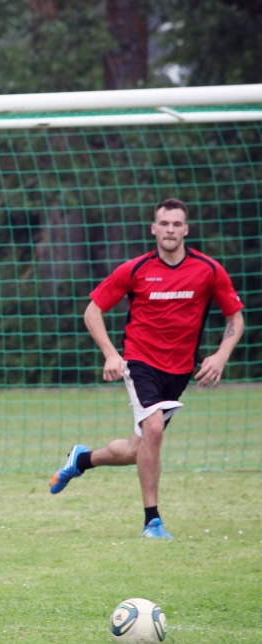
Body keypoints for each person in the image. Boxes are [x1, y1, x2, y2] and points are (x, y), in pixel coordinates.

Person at [51, 198, 244, 539]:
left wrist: (221, 355)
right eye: (164, 224)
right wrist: (112, 354)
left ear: (186, 229)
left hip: (179, 371)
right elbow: (92, 311)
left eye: (176, 224)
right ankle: (152, 521)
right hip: (140, 362)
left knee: (136, 450)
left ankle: (80, 460)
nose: (170, 230)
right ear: (154, 229)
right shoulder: (135, 269)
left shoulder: (208, 270)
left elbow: (235, 317)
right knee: (153, 428)